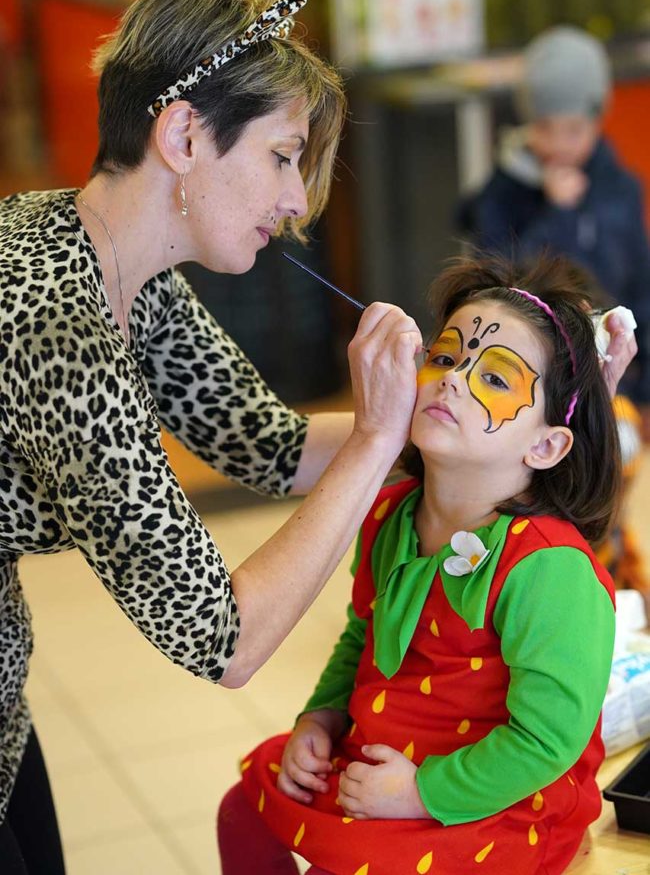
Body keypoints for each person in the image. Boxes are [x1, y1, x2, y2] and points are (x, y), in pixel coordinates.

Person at [0, 0, 424, 873]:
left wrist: (439, 413)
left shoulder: (115, 261)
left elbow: (270, 446)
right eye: (281, 156)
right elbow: (222, 637)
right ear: (184, 133)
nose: (296, 202)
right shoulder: (61, 325)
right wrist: (380, 441)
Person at [218, 253, 622, 875]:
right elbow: (362, 634)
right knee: (243, 808)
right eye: (445, 357)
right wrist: (320, 720)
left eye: (494, 379)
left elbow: (546, 743)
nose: (454, 379)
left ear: (546, 445)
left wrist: (420, 792)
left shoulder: (547, 569)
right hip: (380, 759)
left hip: (495, 793)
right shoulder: (388, 511)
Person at [458, 25, 650, 440]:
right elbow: (500, 283)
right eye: (546, 129)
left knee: (613, 477)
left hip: (614, 378)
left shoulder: (621, 187)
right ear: (527, 121)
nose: (560, 144)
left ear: (598, 120)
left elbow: (641, 284)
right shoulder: (501, 194)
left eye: (574, 130)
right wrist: (557, 213)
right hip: (531, 380)